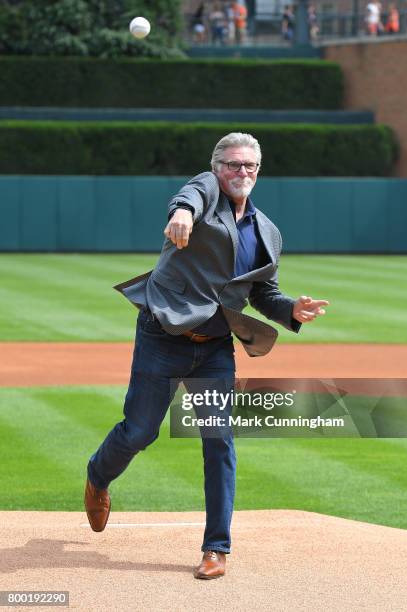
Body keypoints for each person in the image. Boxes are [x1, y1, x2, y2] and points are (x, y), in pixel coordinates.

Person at [84, 132, 329, 580]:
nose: (242, 173)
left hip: (216, 347)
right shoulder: (204, 193)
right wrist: (181, 213)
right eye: (234, 165)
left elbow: (261, 293)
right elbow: (190, 195)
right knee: (139, 432)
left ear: (259, 171)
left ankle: (216, 548)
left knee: (218, 441)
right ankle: (98, 474)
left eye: (250, 166)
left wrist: (290, 308)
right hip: (163, 336)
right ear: (218, 168)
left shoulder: (267, 232)